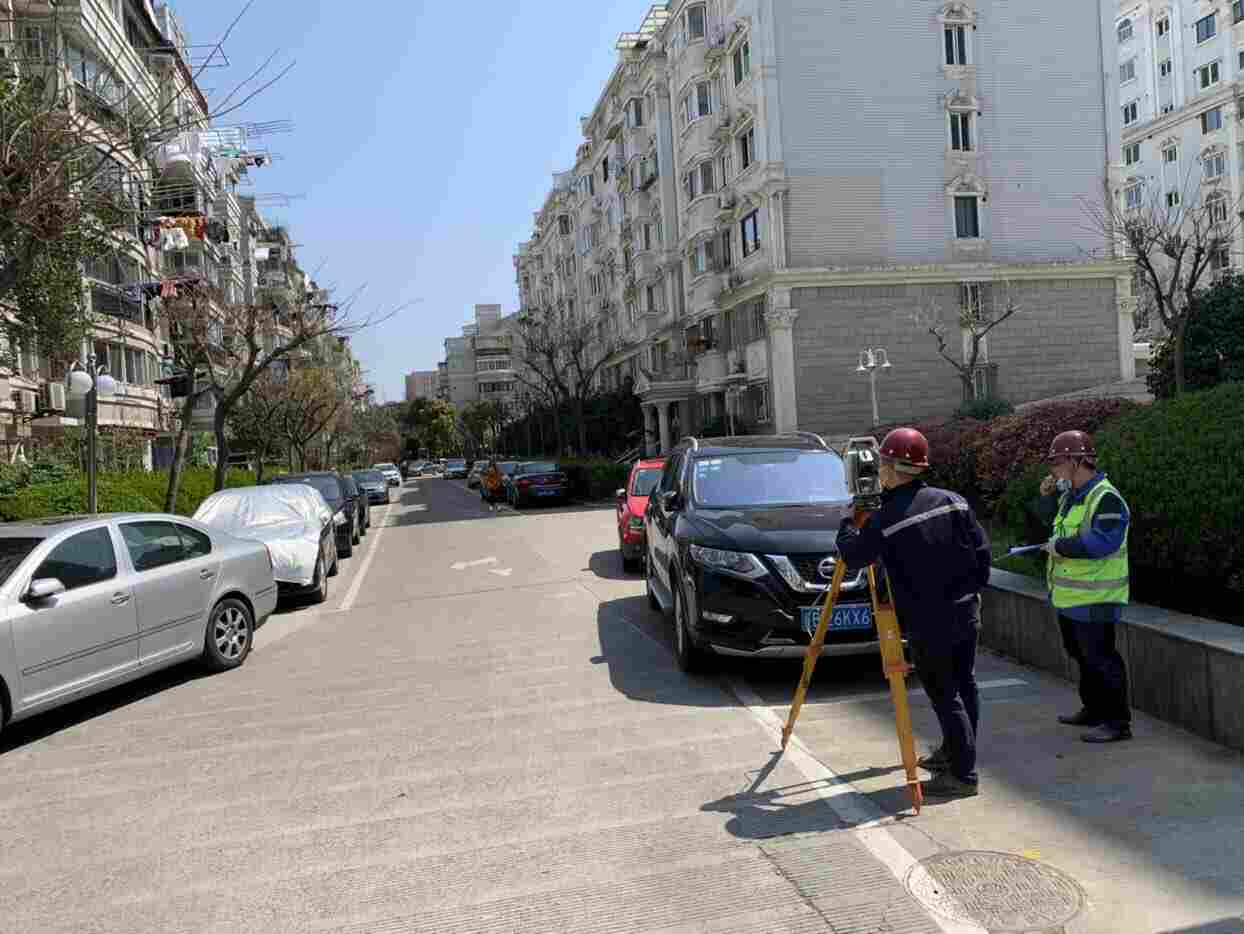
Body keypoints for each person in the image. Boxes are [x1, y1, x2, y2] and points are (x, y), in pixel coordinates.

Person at [836, 427, 992, 799]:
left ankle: (963, 776)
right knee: (964, 683)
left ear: (890, 467)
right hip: (965, 609)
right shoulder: (954, 501)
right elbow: (983, 555)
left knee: (944, 692)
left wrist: (846, 523)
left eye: (883, 465)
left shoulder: (886, 517)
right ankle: (956, 754)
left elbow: (855, 556)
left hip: (927, 620)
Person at [1037, 430, 1132, 743]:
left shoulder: (1105, 498)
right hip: (1071, 597)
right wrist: (1047, 497)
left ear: (1078, 462)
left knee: (1101, 658)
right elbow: (1046, 527)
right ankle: (1093, 710)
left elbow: (1102, 542)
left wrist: (1061, 547)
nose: (1053, 469)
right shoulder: (1070, 497)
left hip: (1097, 597)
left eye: (1057, 462)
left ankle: (1117, 722)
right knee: (1080, 654)